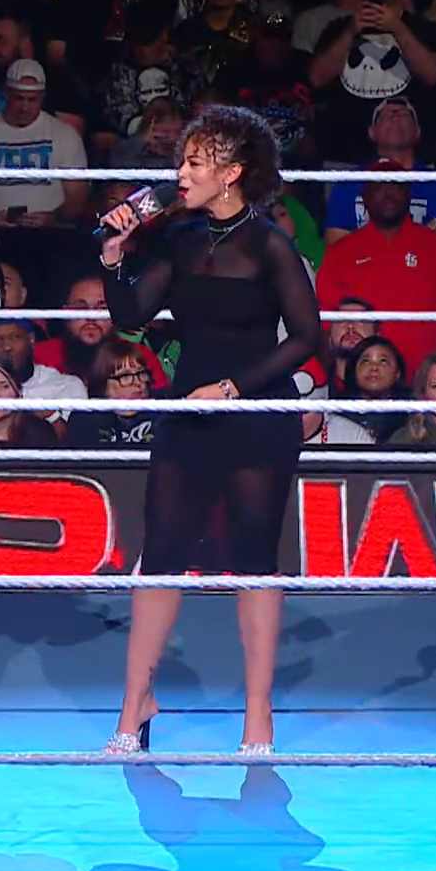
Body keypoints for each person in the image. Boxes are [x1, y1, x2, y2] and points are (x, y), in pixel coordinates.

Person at [97, 104, 322, 754]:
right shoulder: (182, 239)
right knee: (162, 553)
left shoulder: (270, 245)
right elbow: (132, 315)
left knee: (254, 558)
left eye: (195, 162)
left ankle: (258, 717)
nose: (181, 173)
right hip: (187, 415)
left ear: (233, 172)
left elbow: (305, 337)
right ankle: (134, 705)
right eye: (182, 161)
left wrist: (233, 388)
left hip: (255, 415)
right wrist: (114, 257)